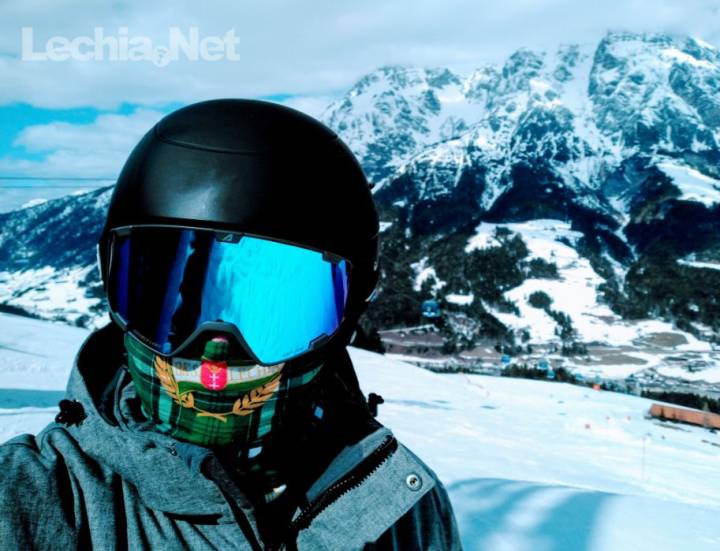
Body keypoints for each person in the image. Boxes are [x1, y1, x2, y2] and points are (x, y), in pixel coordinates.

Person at [0, 99, 461, 550]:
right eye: (171, 306)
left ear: (348, 314)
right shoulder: (39, 498)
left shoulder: (401, 509)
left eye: (274, 312)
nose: (214, 350)